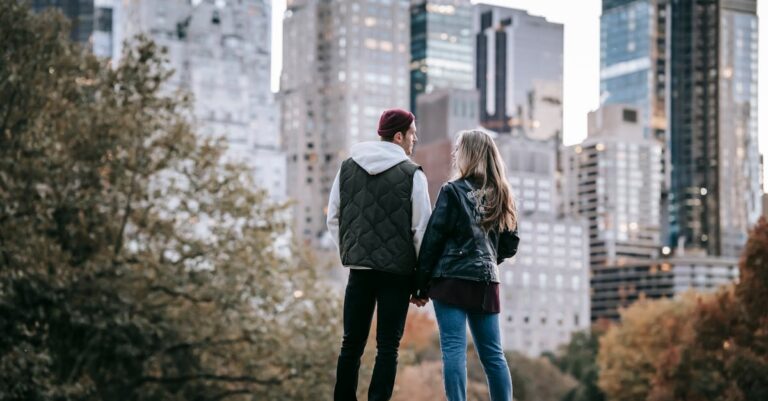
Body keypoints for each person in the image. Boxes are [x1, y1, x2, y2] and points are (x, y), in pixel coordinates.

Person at [326, 108, 432, 401]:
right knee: (388, 347)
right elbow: (422, 230)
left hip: (358, 270)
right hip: (397, 276)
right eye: (412, 133)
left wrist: (350, 252)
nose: (415, 139)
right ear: (399, 136)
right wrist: (421, 283)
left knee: (351, 344)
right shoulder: (413, 175)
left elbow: (333, 217)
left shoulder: (348, 167)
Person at [414, 129, 520, 401]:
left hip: (450, 279)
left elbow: (433, 240)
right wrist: (485, 260)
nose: (455, 154)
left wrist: (420, 285)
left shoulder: (452, 191)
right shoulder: (502, 193)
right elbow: (511, 243)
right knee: (493, 354)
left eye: (459, 149)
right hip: (486, 280)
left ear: (468, 155)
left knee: (453, 349)